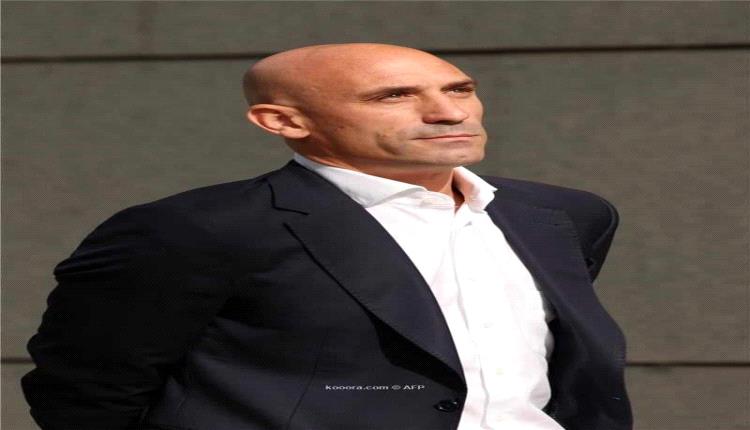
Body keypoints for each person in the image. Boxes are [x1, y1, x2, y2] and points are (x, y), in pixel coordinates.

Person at [21, 43, 632, 430]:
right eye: (394, 96)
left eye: (459, 89)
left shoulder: (563, 215)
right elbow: (86, 392)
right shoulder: (191, 229)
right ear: (283, 121)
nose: (450, 112)